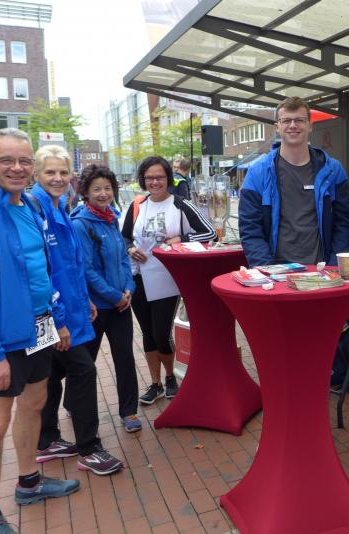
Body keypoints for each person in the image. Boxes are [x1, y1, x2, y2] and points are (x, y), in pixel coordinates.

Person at [0, 128, 79, 534]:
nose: (17, 168)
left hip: (39, 327)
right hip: (3, 339)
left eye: (24, 160)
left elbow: (41, 272)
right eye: (7, 160)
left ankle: (29, 482)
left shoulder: (32, 207)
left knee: (34, 404)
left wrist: (57, 319)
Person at [31, 146, 124, 475]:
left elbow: (70, 265)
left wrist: (85, 301)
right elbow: (39, 272)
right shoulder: (36, 211)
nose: (57, 178)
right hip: (49, 314)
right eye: (49, 172)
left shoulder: (59, 207)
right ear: (36, 175)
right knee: (83, 371)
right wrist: (58, 323)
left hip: (65, 309)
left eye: (62, 172)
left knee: (50, 374)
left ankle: (46, 439)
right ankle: (89, 448)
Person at [122, 156, 215, 405]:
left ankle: (170, 376)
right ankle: (156, 384)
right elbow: (124, 237)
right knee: (148, 334)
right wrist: (130, 248)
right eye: (150, 178)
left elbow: (210, 232)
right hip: (138, 277)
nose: (155, 182)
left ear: (168, 179)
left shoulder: (180, 204)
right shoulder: (137, 205)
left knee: (162, 333)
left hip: (167, 278)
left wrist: (181, 238)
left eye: (160, 177)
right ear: (143, 180)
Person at [239, 96, 349, 267]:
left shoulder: (333, 170)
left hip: (321, 272)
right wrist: (267, 270)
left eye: (299, 120)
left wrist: (333, 266)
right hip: (275, 273)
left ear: (310, 125)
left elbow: (343, 224)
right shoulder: (257, 173)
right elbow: (250, 228)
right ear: (277, 126)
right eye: (286, 120)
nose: (293, 125)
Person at [71, 164, 143, 433]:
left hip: (122, 305)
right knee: (85, 362)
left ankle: (129, 410)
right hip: (96, 308)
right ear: (86, 193)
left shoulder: (112, 218)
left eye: (108, 188)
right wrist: (114, 296)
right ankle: (72, 401)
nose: (103, 194)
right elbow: (86, 269)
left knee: (125, 358)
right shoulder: (80, 224)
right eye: (97, 189)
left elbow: (123, 258)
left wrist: (129, 289)